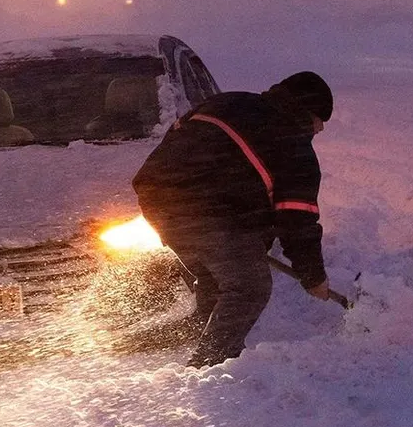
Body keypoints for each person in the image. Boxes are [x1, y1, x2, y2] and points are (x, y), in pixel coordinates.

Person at [132, 71, 334, 368]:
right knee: (249, 286)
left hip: (156, 198)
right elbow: (297, 222)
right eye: (321, 122)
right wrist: (314, 277)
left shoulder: (227, 102)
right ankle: (208, 368)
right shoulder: (293, 143)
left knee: (215, 278)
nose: (320, 130)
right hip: (206, 210)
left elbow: (180, 142)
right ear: (310, 112)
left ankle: (201, 340)